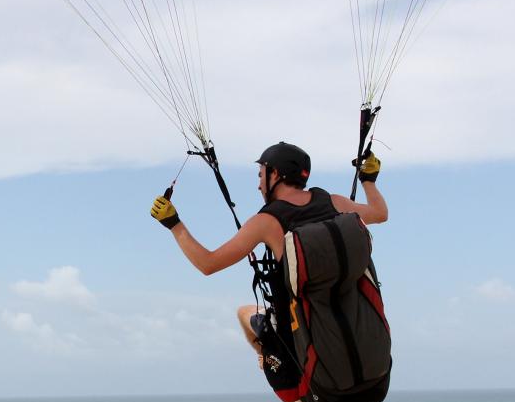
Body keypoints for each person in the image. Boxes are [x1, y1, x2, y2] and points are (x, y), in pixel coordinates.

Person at [150, 141, 386, 371]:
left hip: (309, 376)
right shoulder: (336, 202)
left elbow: (207, 264)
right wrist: (368, 181)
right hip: (368, 362)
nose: (259, 185)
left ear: (276, 175)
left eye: (261, 175)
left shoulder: (266, 222)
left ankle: (269, 359)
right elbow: (380, 213)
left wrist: (174, 224)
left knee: (245, 313)